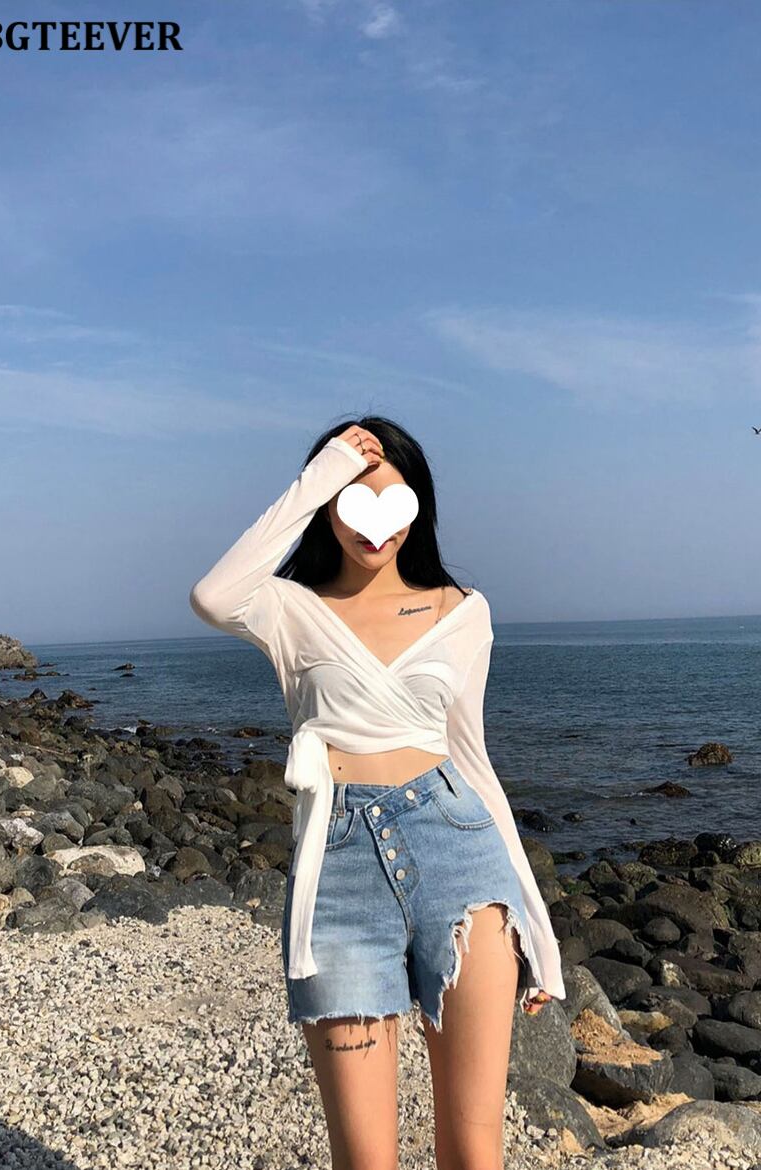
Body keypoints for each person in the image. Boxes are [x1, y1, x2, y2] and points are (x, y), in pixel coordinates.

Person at [190, 416, 565, 1170]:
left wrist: (539, 928)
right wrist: (323, 473)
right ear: (328, 504)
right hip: (339, 876)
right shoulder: (291, 608)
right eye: (352, 499)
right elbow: (213, 594)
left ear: (419, 507)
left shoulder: (462, 610)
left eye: (394, 501)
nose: (375, 525)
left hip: (463, 861)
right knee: (363, 1159)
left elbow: (472, 758)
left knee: (475, 1147)